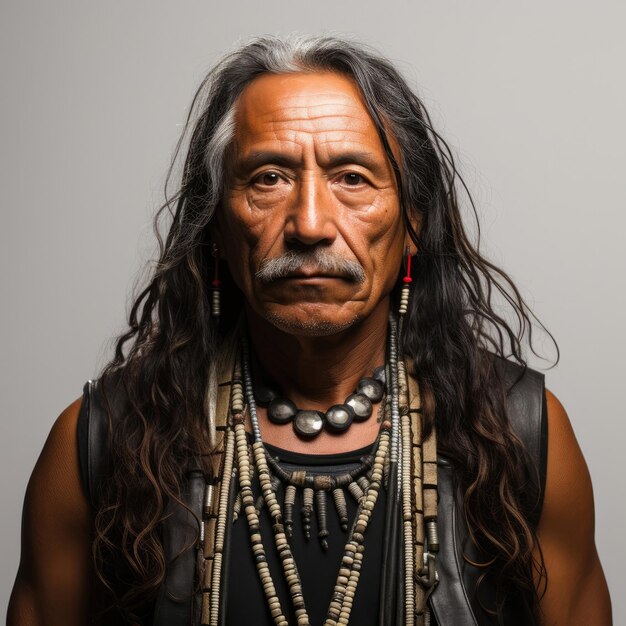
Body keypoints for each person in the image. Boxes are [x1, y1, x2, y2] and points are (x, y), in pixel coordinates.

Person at [8, 35, 611, 626]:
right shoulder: (101, 443)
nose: (310, 224)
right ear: (215, 223)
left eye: (352, 177)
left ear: (412, 225)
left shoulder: (522, 433)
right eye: (268, 178)